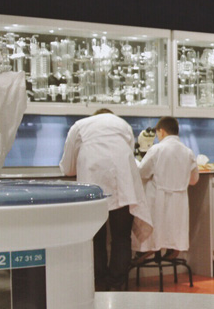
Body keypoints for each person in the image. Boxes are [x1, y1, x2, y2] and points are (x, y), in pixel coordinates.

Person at [60, 108, 151, 291]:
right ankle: (116, 285)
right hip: (122, 182)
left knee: (95, 237)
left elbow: (68, 168)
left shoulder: (80, 126)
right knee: (121, 238)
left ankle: (99, 285)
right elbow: (129, 152)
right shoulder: (123, 125)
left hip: (94, 182)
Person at [131, 116, 200, 262]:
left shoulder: (157, 149)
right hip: (179, 202)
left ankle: (148, 249)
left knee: (154, 228)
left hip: (157, 199)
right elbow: (194, 180)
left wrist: (136, 161)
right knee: (174, 229)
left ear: (161, 131)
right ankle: (173, 248)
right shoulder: (188, 152)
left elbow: (142, 173)